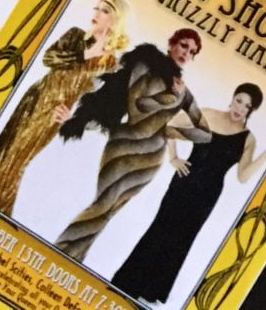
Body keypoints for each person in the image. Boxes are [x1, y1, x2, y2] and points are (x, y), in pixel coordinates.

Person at [112, 83, 266, 304]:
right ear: (233, 98)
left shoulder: (248, 139)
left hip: (208, 195)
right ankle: (128, 283)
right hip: (183, 184)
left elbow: (243, 176)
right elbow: (170, 126)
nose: (240, 108)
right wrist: (174, 158)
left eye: (247, 106)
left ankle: (150, 293)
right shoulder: (207, 114)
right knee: (160, 229)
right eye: (239, 101)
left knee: (182, 239)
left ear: (251, 111)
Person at [53, 28, 210, 262]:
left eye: (192, 52)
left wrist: (169, 131)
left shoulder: (183, 91)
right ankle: (58, 250)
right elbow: (139, 107)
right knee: (102, 204)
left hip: (150, 160)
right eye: (184, 46)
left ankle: (72, 259)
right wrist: (169, 97)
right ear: (171, 43)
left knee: (109, 212)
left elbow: (205, 135)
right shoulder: (145, 65)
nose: (186, 53)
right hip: (123, 148)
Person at [0, 0, 130, 216]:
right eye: (96, 7)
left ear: (116, 19)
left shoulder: (112, 65)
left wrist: (72, 119)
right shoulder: (75, 36)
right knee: (3, 151)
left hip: (54, 115)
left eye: (104, 10)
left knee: (17, 162)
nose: (96, 13)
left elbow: (106, 113)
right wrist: (85, 54)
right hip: (34, 100)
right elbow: (48, 58)